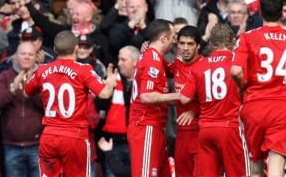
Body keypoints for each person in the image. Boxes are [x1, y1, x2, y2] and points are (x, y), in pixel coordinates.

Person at [231, 0, 286, 176]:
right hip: (281, 108)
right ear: (282, 14)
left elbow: (235, 71)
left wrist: (242, 85)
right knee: (276, 167)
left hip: (253, 105)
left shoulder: (247, 37)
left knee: (254, 168)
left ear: (260, 12)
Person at [24, 30, 117, 176]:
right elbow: (105, 94)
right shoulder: (83, 70)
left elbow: (26, 91)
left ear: (55, 50)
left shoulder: (42, 70)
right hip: (74, 136)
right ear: (76, 48)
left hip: (49, 135)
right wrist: (111, 82)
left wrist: (37, 74)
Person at [180, 23, 249, 176]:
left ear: (211, 43)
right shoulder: (238, 63)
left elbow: (184, 98)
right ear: (233, 41)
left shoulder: (199, 65)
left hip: (205, 128)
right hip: (230, 126)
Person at [127, 19, 180, 177]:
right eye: (173, 37)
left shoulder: (154, 57)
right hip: (146, 126)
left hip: (155, 126)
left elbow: (173, 70)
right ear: (164, 38)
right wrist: (178, 97)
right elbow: (146, 96)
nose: (175, 41)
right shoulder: (152, 60)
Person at [0, 42, 42, 177]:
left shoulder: (43, 76)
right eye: (23, 54)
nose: (27, 57)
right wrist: (12, 89)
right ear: (16, 57)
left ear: (36, 57)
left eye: (30, 54)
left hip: (38, 145)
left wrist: (32, 91)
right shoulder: (4, 77)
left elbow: (49, 107)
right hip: (11, 145)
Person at [98, 45, 141, 177]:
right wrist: (108, 87)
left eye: (123, 60)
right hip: (114, 142)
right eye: (119, 59)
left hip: (137, 142)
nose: (119, 63)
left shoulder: (145, 81)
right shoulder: (112, 79)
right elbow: (99, 105)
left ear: (135, 62)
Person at [168, 25, 202, 176]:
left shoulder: (205, 66)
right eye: (182, 43)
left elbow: (217, 98)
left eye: (190, 44)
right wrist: (149, 50)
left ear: (198, 46)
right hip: (181, 132)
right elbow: (158, 65)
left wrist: (194, 112)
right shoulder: (176, 64)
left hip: (200, 131)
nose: (185, 48)